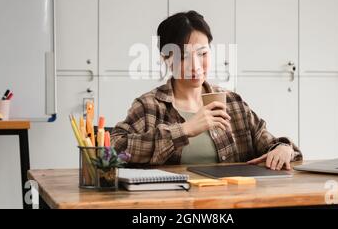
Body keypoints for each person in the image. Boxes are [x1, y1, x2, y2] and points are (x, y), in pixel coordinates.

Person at [111, 11, 302, 170]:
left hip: (230, 202)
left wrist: (283, 148)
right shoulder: (149, 106)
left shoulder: (232, 102)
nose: (195, 66)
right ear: (166, 59)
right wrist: (185, 129)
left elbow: (269, 142)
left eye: (202, 53)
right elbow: (113, 149)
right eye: (184, 56)